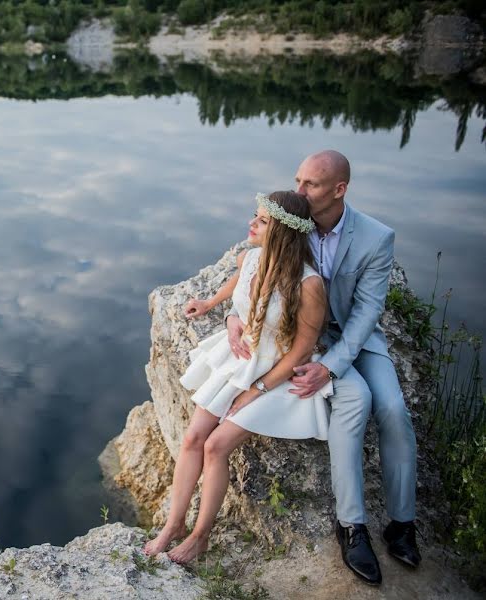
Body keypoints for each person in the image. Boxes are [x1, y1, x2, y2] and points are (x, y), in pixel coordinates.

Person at [227, 151, 420, 586]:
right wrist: (232, 317)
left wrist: (330, 367)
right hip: (301, 339)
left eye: (310, 185)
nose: (299, 192)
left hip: (355, 340)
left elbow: (367, 311)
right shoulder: (290, 219)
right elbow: (248, 264)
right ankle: (351, 526)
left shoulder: (376, 237)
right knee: (357, 403)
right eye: (298, 180)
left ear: (339, 190)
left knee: (392, 409)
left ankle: (403, 524)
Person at [143, 191, 331, 564]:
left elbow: (302, 350)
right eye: (255, 216)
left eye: (262, 221)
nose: (252, 224)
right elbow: (236, 289)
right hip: (241, 361)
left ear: (282, 231)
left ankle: (200, 536)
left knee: (215, 446)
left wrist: (256, 389)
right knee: (194, 437)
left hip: (276, 374)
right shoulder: (250, 258)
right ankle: (173, 524)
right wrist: (217, 308)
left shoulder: (308, 285)